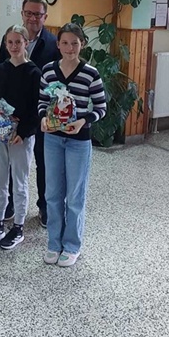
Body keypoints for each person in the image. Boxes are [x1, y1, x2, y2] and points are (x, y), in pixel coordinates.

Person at [38, 23, 106, 267]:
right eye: (65, 43)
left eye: (74, 43)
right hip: (53, 140)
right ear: (58, 45)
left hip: (79, 141)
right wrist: (43, 118)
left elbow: (101, 107)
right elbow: (42, 101)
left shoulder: (90, 74)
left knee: (75, 196)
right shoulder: (48, 71)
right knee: (52, 193)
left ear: (82, 45)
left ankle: (72, 245)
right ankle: (54, 243)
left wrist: (83, 122)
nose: (69, 48)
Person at [0, 0, 59, 227]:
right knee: (14, 161)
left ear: (45, 17)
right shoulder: (11, 39)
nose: (33, 18)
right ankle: (11, 203)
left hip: (41, 114)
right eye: (28, 13)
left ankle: (44, 205)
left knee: (44, 161)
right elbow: (1, 72)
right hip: (14, 114)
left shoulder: (53, 43)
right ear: (22, 14)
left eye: (38, 14)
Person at [0, 25, 42, 249]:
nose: (14, 46)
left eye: (18, 42)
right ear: (5, 44)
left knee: (19, 180)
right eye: (10, 42)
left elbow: (36, 108)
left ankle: (18, 226)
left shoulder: (34, 73)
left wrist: (24, 132)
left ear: (26, 43)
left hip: (20, 137)